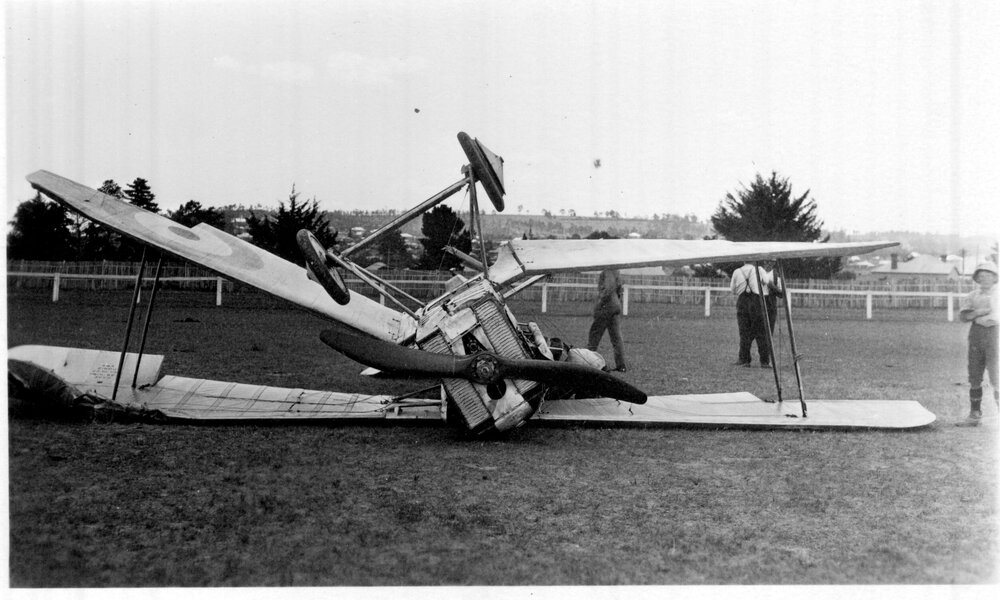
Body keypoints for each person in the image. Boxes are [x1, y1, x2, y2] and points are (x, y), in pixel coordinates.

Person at [957, 261, 999, 426]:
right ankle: (975, 414)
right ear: (977, 279)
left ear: (995, 277)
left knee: (997, 375)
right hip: (977, 334)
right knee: (974, 374)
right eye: (981, 276)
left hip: (996, 334)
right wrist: (979, 312)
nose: (985, 279)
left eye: (988, 275)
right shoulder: (972, 296)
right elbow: (964, 317)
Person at [730, 261, 775, 368]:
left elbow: (733, 290)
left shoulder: (737, 271)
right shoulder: (759, 269)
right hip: (757, 303)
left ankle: (744, 360)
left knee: (744, 332)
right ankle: (764, 361)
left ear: (744, 261)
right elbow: (767, 281)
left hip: (742, 302)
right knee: (761, 333)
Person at [587, 268, 627, 372]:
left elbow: (608, 288)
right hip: (615, 306)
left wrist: (600, 302)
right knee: (616, 338)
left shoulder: (607, 271)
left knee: (594, 334)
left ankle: (587, 361)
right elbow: (619, 290)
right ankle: (621, 365)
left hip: (606, 307)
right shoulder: (616, 271)